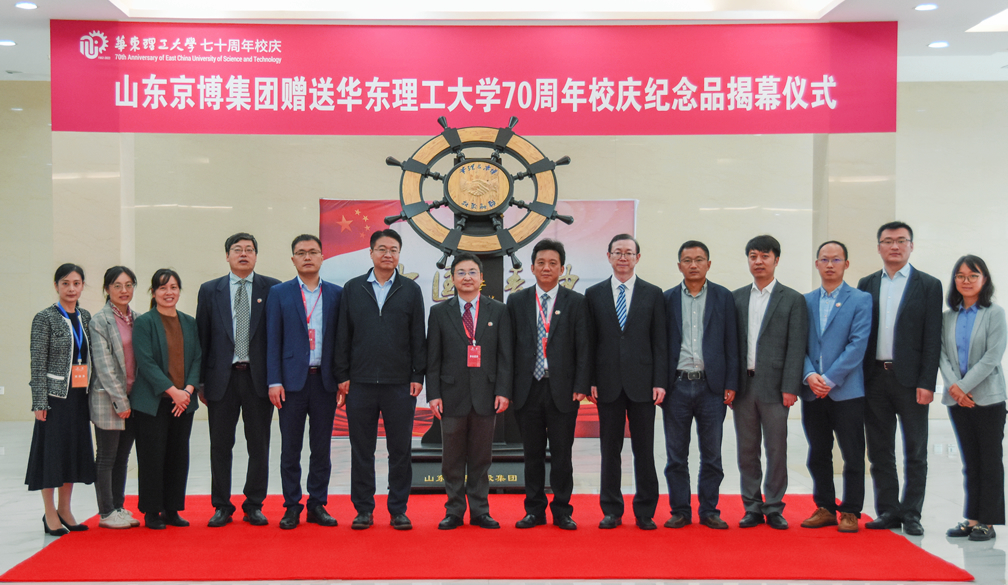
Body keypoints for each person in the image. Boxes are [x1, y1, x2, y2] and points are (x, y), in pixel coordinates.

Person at [335, 229, 426, 531]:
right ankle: (363, 509)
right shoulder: (353, 288)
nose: (388, 254)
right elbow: (343, 335)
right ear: (371, 252)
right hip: (359, 384)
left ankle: (398, 509)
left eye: (394, 249)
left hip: (399, 385)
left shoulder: (410, 290)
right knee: (362, 450)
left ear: (399, 254)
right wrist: (342, 375)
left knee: (400, 450)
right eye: (382, 249)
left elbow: (418, 336)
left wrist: (417, 374)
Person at [857, 221, 942, 536]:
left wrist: (927, 382)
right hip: (874, 377)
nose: (895, 246)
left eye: (901, 240)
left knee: (915, 451)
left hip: (911, 381)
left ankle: (912, 513)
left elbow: (932, 338)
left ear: (911, 246)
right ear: (879, 247)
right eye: (888, 241)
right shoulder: (867, 284)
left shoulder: (928, 285)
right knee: (880, 450)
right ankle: (888, 511)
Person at [196, 232, 280, 528]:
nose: (243, 254)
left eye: (249, 249)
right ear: (227, 256)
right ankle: (221, 505)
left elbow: (277, 337)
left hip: (258, 379)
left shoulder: (273, 288)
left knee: (259, 445)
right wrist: (201, 382)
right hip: (222, 379)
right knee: (220, 446)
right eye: (237, 249)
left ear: (256, 255)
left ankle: (254, 504)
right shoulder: (210, 290)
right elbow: (202, 338)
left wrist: (277, 379)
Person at [585, 234, 667, 530]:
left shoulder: (653, 293)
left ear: (637, 258)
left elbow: (660, 342)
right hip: (607, 384)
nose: (623, 257)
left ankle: (645, 511)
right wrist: (591, 379)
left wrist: (660, 381)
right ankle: (611, 510)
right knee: (610, 450)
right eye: (617, 252)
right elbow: (589, 342)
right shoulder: (593, 294)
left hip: (643, 385)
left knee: (644, 450)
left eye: (628, 253)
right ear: (608, 256)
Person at [507, 239, 589, 531]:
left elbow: (584, 347)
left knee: (562, 455)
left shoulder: (576, 302)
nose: (546, 268)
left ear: (561, 269)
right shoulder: (517, 301)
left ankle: (563, 510)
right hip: (527, 389)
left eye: (553, 263)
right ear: (531, 268)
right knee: (532, 455)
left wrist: (581, 384)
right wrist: (508, 389)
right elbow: (509, 348)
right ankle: (534, 510)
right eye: (541, 263)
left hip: (563, 390)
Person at [426, 253, 513, 530]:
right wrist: (433, 394)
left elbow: (505, 356)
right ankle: (453, 511)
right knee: (451, 459)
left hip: (486, 395)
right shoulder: (439, 312)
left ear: (481, 278)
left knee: (481, 458)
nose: (467, 277)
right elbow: (433, 358)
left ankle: (480, 511)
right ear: (452, 278)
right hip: (451, 395)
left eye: (472, 272)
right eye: (461, 272)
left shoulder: (498, 310)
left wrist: (503, 390)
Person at [267, 234, 342, 530]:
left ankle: (317, 504)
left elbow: (342, 341)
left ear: (322, 257)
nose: (307, 257)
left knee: (321, 448)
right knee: (291, 449)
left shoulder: (336, 294)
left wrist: (342, 379)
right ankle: (291, 506)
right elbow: (272, 339)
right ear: (293, 259)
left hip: (324, 382)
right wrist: (274, 380)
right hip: (291, 384)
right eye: (301, 253)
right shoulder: (279, 293)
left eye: (313, 252)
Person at [732, 234, 807, 530]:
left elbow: (796, 346)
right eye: (753, 256)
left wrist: (790, 387)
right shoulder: (736, 298)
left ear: (776, 260)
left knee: (776, 449)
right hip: (743, 387)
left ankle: (774, 506)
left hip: (776, 388)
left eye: (765, 256)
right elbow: (730, 346)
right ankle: (751, 506)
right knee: (746, 450)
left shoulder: (793, 299)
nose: (758, 261)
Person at [662, 240, 737, 531]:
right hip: (677, 386)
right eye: (687, 260)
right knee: (676, 456)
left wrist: (731, 382)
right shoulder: (667, 299)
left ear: (709, 263)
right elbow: (660, 346)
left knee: (712, 455)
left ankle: (709, 510)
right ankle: (680, 510)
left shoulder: (723, 297)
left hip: (711, 388)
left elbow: (732, 342)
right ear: (679, 265)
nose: (693, 265)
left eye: (699, 259)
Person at [798, 241, 872, 533]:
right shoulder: (805, 301)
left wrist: (828, 379)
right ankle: (826, 507)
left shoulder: (861, 299)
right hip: (812, 391)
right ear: (816, 264)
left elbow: (857, 345)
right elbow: (799, 345)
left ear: (846, 264)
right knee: (818, 452)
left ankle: (851, 510)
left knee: (852, 453)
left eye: (836, 259)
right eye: (824, 259)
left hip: (846, 391)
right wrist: (809, 375)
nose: (830, 264)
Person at [940, 255, 1006, 542]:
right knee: (970, 461)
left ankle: (987, 522)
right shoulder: (947, 317)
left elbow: (993, 356)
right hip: (958, 400)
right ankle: (973, 519)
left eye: (972, 275)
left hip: (988, 399)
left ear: (984, 279)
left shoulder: (995, 313)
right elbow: (942, 355)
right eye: (961, 276)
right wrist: (955, 388)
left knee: (989, 461)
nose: (966, 281)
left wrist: (964, 386)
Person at [27, 263, 97, 537]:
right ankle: (50, 514)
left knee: (72, 454)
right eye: (65, 283)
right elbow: (37, 363)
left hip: (79, 396)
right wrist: (39, 402)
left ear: (82, 286)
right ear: (56, 285)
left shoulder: (85, 316)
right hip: (55, 399)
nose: (71, 288)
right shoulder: (44, 318)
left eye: (76, 283)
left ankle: (65, 509)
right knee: (52, 456)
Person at [131, 268, 201, 530]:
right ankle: (151, 511)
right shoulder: (145, 322)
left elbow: (197, 358)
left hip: (184, 402)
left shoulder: (189, 322)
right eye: (162, 288)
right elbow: (146, 362)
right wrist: (174, 392)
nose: (168, 292)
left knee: (178, 456)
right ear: (153, 292)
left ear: (179, 291)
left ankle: (172, 510)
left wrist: (188, 391)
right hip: (154, 402)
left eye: (173, 287)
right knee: (152, 457)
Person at [89, 266, 141, 529]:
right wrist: (120, 401)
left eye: (129, 285)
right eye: (117, 285)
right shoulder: (100, 321)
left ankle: (118, 507)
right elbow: (104, 366)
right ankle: (106, 512)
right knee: (107, 456)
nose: (124, 290)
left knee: (123, 456)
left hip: (133, 398)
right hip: (109, 399)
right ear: (107, 288)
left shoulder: (138, 318)